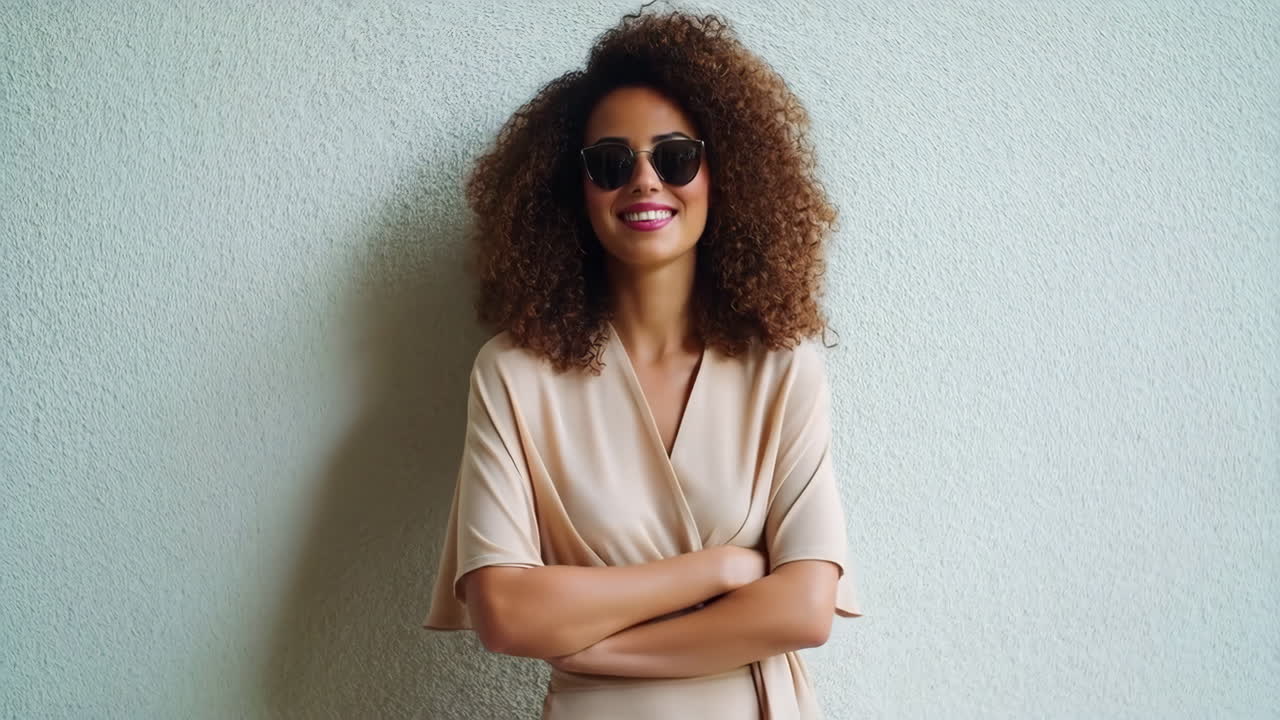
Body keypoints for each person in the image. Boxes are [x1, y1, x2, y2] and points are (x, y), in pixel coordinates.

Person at [422, 6, 863, 718]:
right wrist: (720, 569)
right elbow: (504, 611)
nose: (645, 180)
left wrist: (600, 650)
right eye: (611, 162)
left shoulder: (782, 367)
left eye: (676, 155)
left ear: (726, 173)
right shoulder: (514, 375)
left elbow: (805, 609)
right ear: (576, 190)